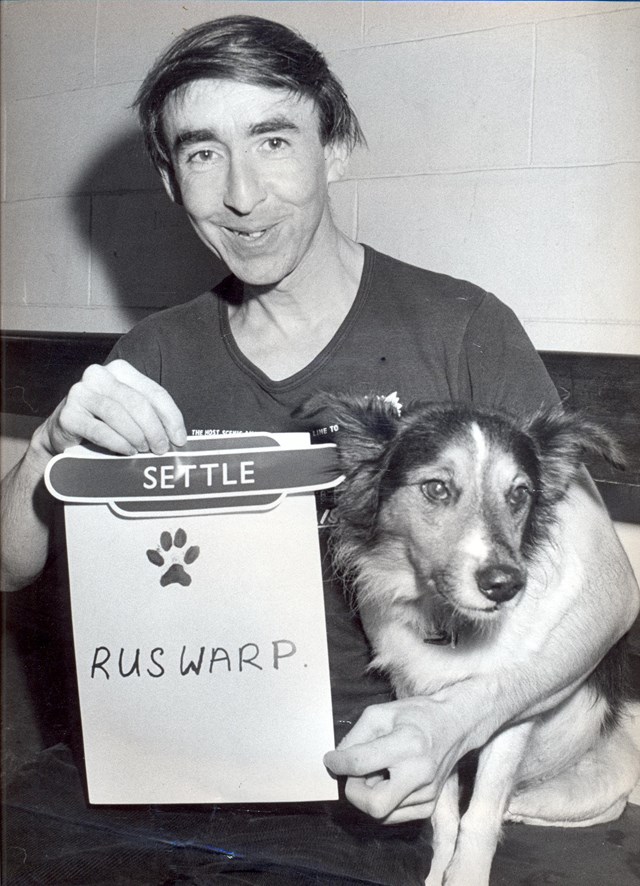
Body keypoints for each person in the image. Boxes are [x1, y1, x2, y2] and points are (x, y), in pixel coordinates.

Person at [2, 15, 638, 885]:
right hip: (168, 774)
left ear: (334, 148)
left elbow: (610, 589)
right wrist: (47, 445)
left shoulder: (461, 326)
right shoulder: (153, 354)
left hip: (385, 793)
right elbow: (9, 566)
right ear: (168, 179)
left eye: (272, 139)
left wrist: (463, 718)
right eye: (201, 154)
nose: (242, 194)